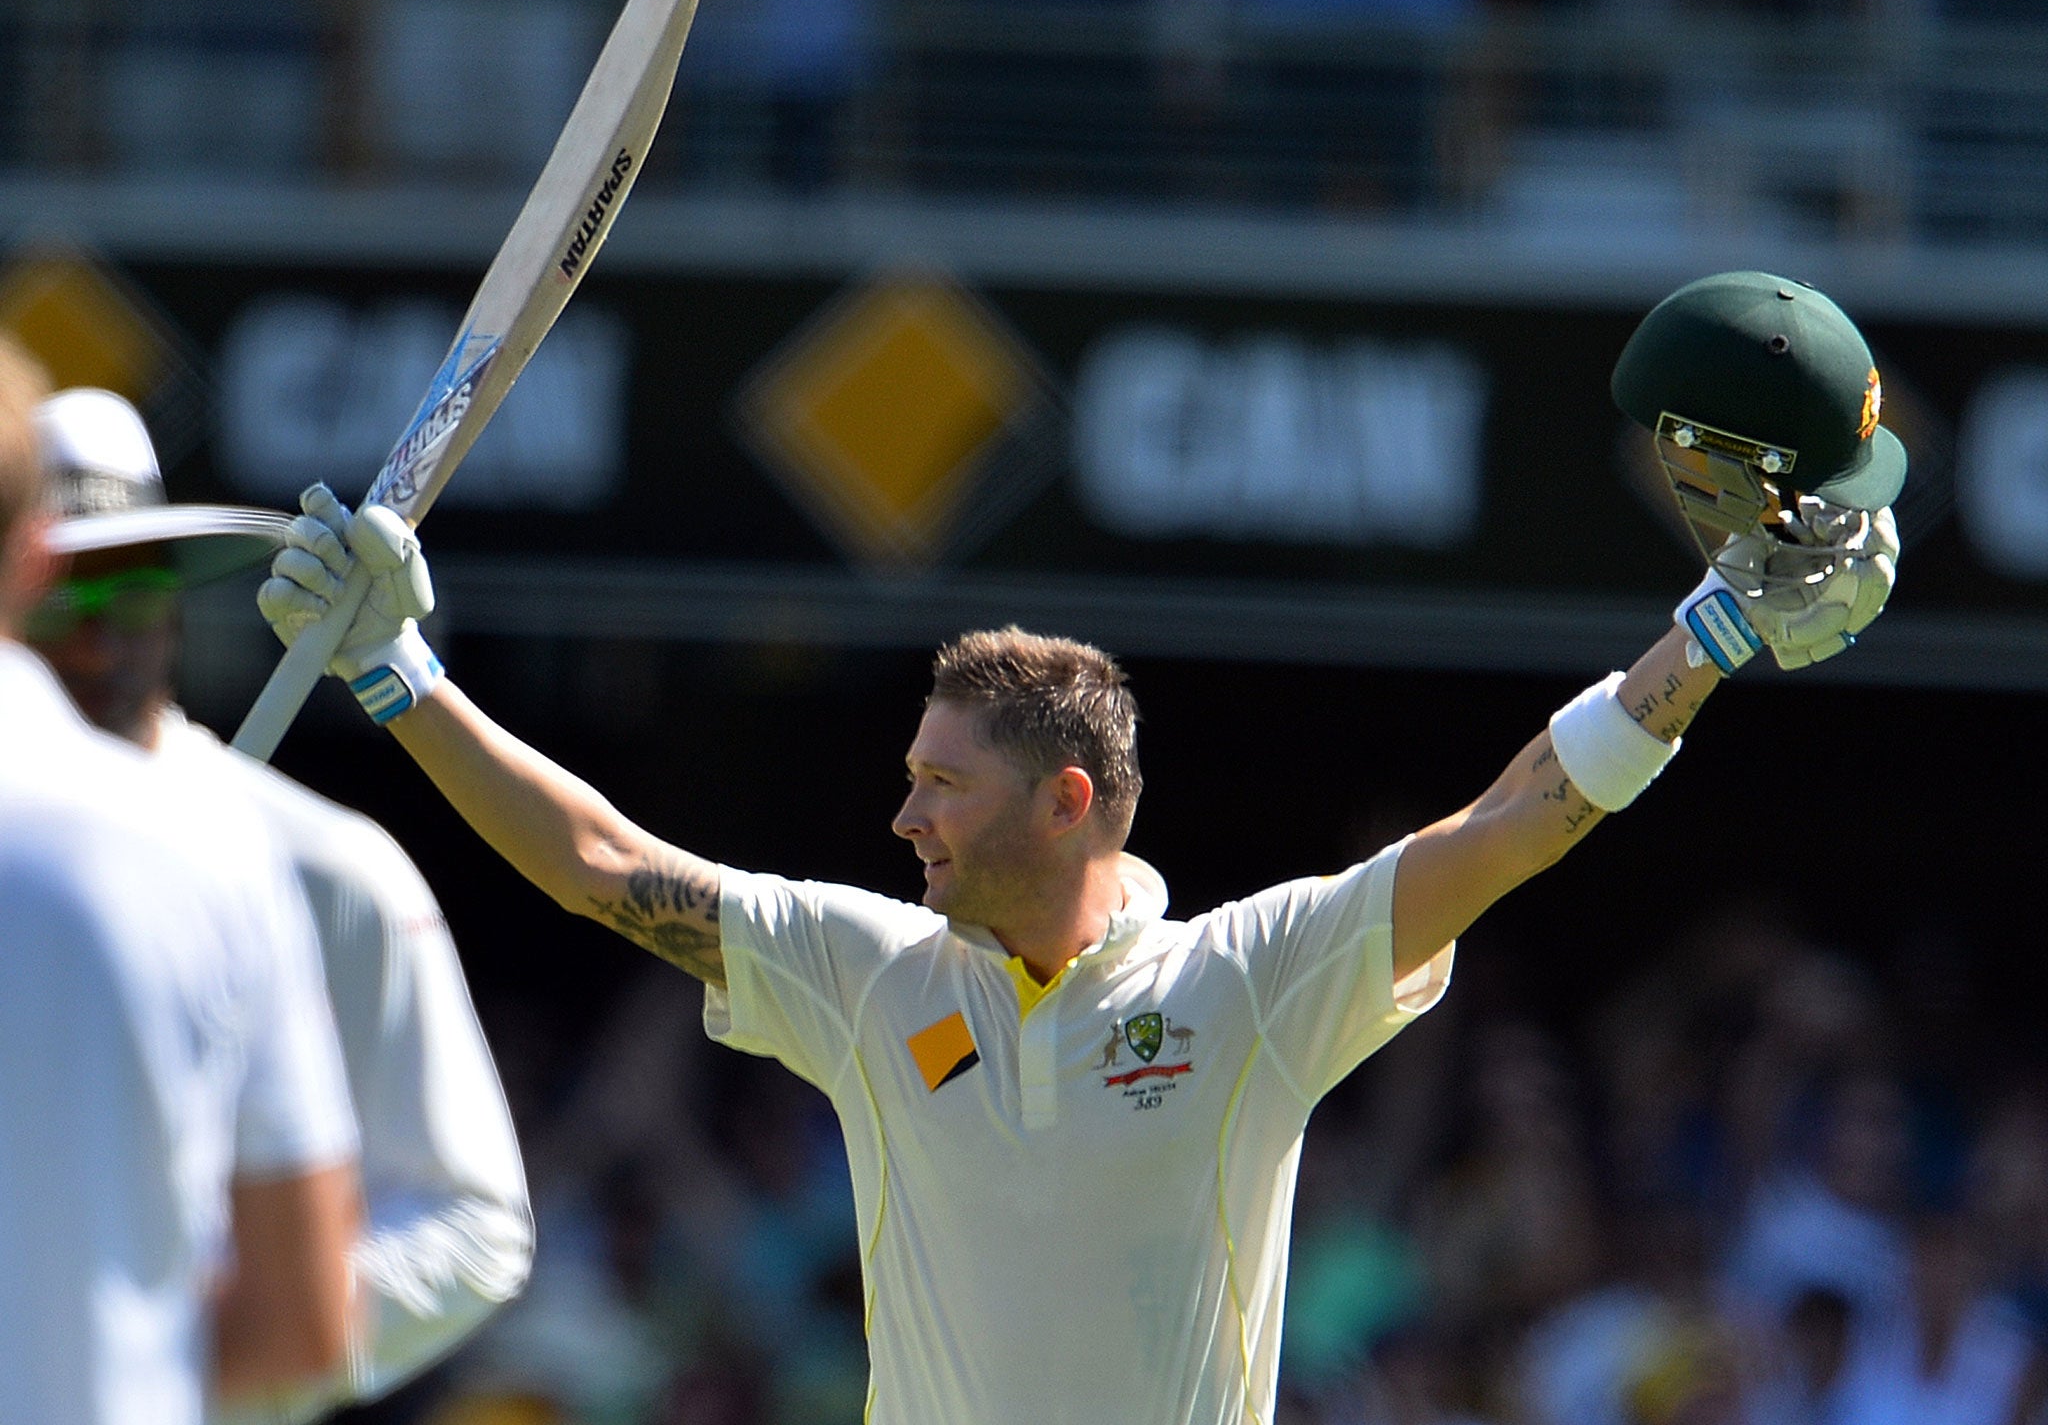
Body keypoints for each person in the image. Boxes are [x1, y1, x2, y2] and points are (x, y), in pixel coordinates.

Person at [255, 270, 1904, 1425]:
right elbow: (605, 867)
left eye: (939, 787)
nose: (899, 817)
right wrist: (404, 682)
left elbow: (1507, 824)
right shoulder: (862, 971)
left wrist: (1695, 646)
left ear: (1066, 803)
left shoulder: (1252, 979)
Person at [26, 386, 535, 1424]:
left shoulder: (324, 870)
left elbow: (471, 1223)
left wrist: (196, 1349)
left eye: (129, 580)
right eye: (63, 587)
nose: (98, 626)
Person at [0, 353, 362, 1422]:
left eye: (142, 587)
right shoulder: (216, 849)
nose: (113, 627)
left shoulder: (239, 846)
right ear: (32, 559)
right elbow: (303, 1321)